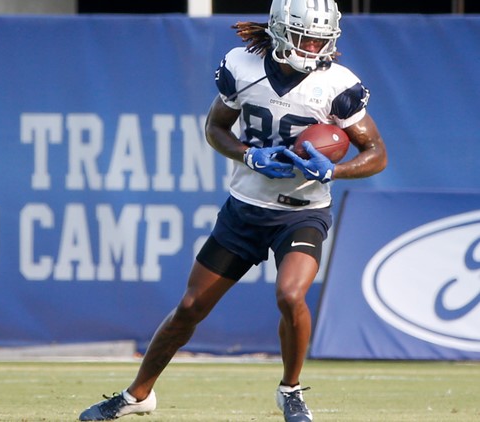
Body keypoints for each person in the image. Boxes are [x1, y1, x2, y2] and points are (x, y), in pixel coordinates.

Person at [79, 0, 387, 420]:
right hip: (246, 207)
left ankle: (291, 390)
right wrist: (250, 156)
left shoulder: (337, 84)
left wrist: (334, 169)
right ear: (281, 32)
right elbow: (216, 129)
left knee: (290, 294)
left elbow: (377, 154)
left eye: (322, 38)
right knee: (190, 307)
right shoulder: (243, 66)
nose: (316, 48)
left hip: (301, 211)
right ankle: (138, 395)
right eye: (307, 37)